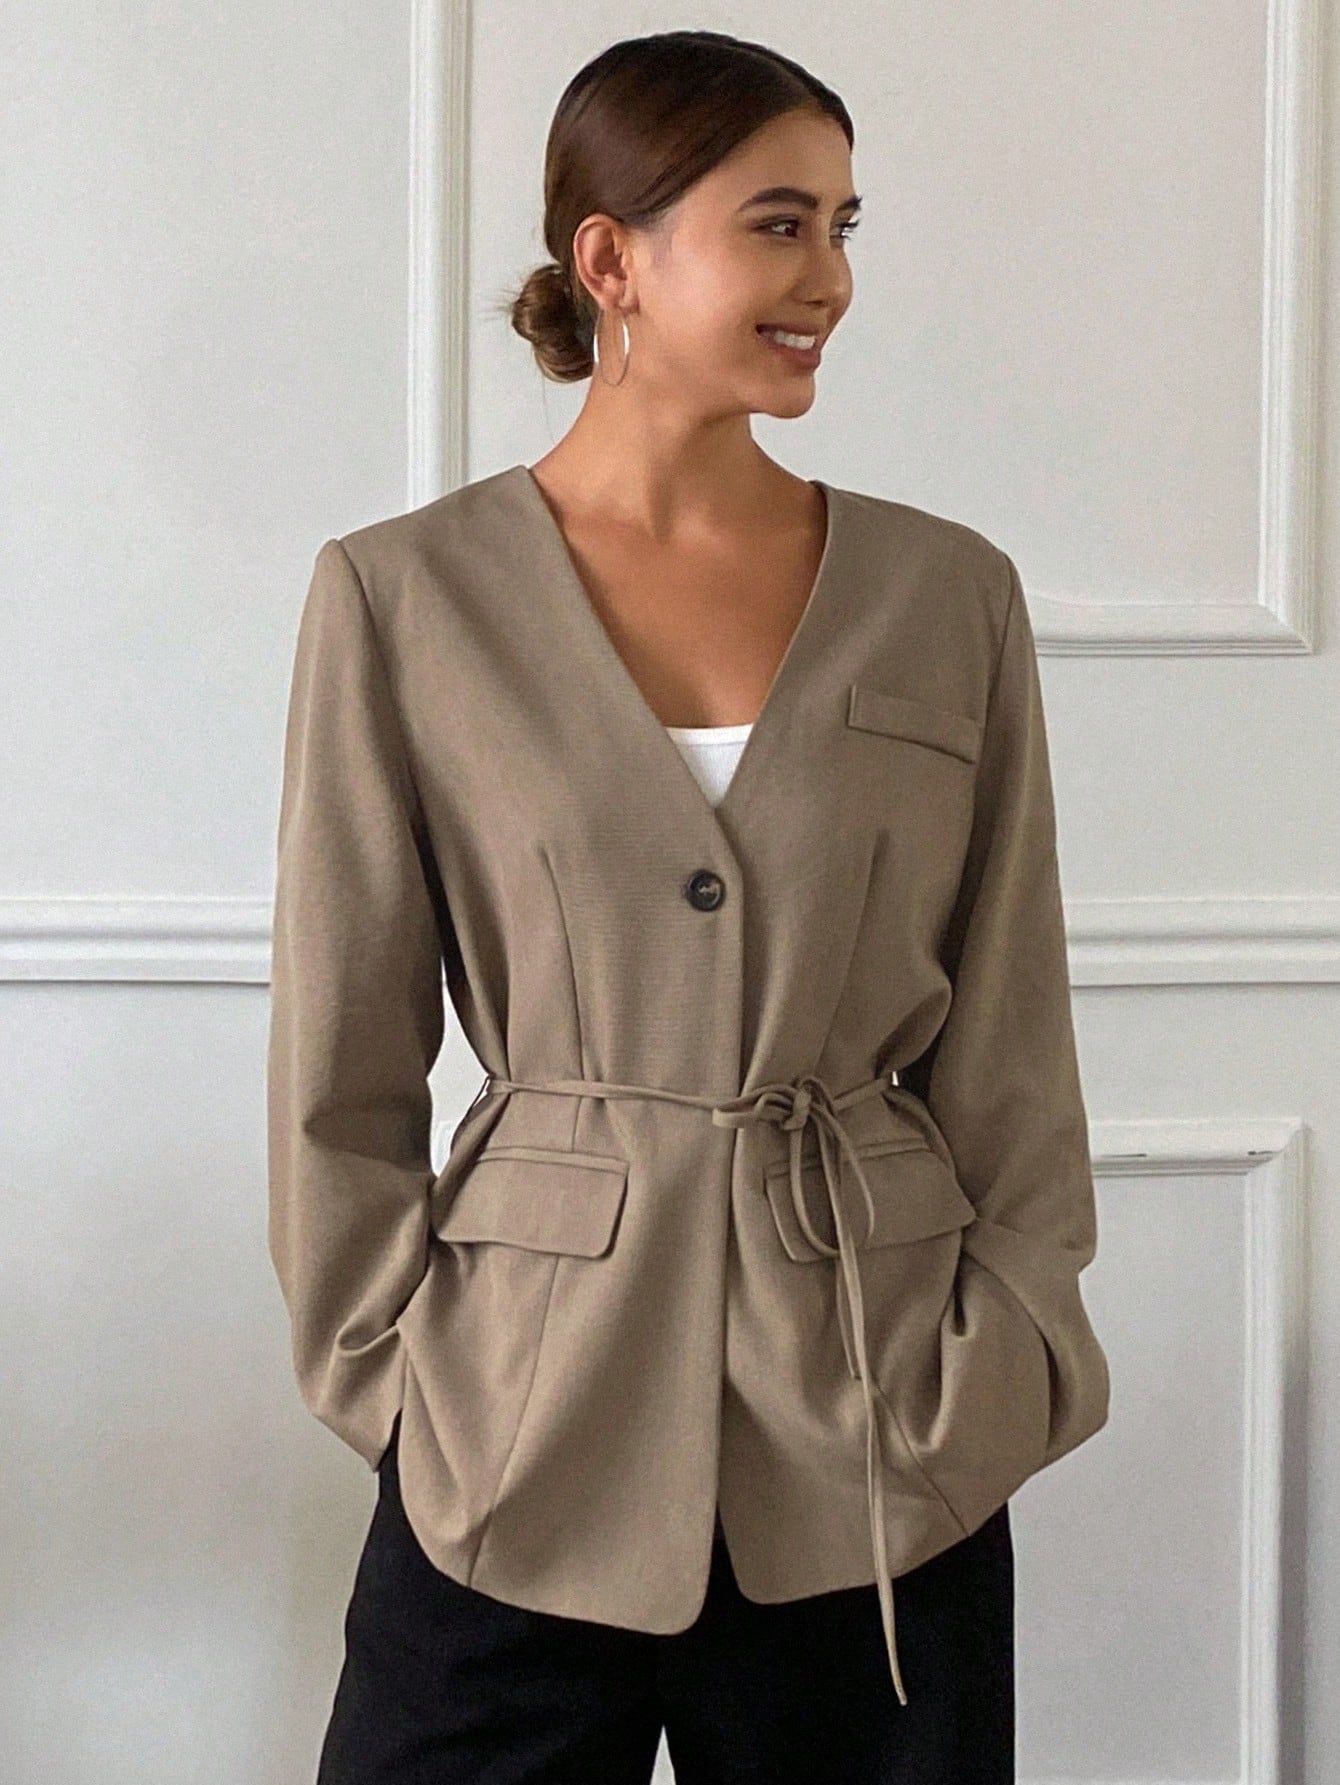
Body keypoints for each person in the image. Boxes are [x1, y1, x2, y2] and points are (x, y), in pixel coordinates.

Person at [266, 27, 1110, 1785]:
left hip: (881, 1420)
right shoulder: (405, 598)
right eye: (779, 225)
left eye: (845, 228)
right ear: (613, 260)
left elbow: (1013, 1028)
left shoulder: (948, 595)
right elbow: (340, 1059)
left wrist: (1012, 1349)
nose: (831, 280)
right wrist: (389, 1380)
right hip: (516, 1419)